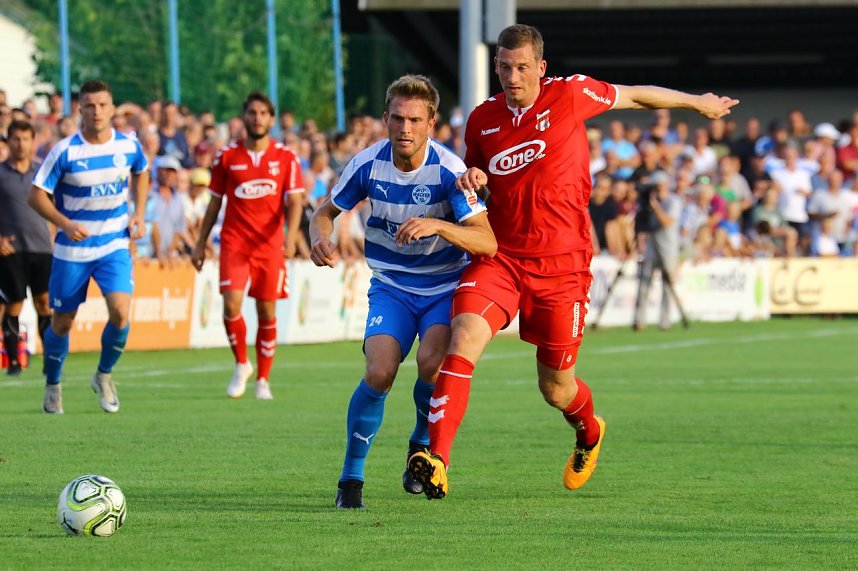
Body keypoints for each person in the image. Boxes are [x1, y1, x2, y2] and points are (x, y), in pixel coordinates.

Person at [407, 24, 738, 499]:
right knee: (462, 338)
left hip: (562, 266)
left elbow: (635, 96)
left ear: (541, 67)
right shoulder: (482, 119)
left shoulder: (571, 94)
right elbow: (474, 174)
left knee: (556, 389)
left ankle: (589, 431)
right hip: (500, 256)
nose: (512, 76)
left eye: (522, 67)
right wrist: (474, 176)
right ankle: (437, 460)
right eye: (504, 66)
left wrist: (697, 102)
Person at [309, 75, 496, 509]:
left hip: (443, 287)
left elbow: (487, 241)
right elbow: (324, 212)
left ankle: (419, 443)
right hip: (391, 286)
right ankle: (350, 479)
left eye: (415, 119)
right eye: (397, 118)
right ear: (385, 119)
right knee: (379, 372)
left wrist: (439, 224)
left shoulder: (450, 172)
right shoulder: (368, 164)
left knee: (431, 363)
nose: (405, 128)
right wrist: (320, 237)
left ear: (431, 122)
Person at [28, 79, 149, 414]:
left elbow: (142, 172)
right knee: (62, 322)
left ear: (112, 108)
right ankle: (53, 384)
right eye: (90, 105)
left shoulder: (128, 146)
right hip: (72, 251)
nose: (96, 111)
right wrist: (65, 224)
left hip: (113, 244)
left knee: (121, 312)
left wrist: (138, 212)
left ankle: (104, 375)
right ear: (80, 108)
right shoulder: (65, 151)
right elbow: (35, 195)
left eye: (102, 105)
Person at [191, 91, 303, 400]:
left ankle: (263, 379)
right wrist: (200, 244)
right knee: (231, 304)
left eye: (263, 113)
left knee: (266, 312)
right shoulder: (226, 156)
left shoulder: (286, 158)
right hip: (234, 243)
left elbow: (295, 202)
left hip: (269, 247)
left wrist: (291, 236)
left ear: (271, 118)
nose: (257, 118)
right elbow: (214, 203)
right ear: (244, 117)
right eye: (252, 112)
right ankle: (242, 364)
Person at [0, 120, 53, 375]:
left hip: (42, 249)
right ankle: (12, 363)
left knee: (45, 304)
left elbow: (56, 208)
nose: (20, 144)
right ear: (8, 141)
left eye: (25, 139)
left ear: (33, 142)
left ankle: (50, 360)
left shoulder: (42, 172)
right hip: (12, 250)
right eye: (16, 139)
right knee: (14, 304)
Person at [633, 172, 683, 331]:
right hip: (651, 246)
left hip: (668, 247)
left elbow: (667, 221)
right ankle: (639, 320)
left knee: (667, 285)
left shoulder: (673, 201)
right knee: (644, 282)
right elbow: (642, 224)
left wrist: (655, 205)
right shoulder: (648, 203)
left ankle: (665, 321)